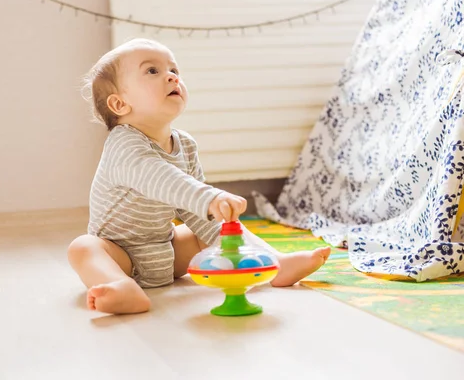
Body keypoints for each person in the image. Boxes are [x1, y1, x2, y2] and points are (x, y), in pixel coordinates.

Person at [67, 38, 331, 314]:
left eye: (174, 70)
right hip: (120, 253)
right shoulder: (123, 144)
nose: (171, 76)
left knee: (214, 228)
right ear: (120, 104)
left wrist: (214, 210)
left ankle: (273, 263)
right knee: (83, 247)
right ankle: (120, 286)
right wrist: (209, 198)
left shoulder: (185, 145)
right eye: (152, 71)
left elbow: (194, 210)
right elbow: (161, 178)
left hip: (167, 250)